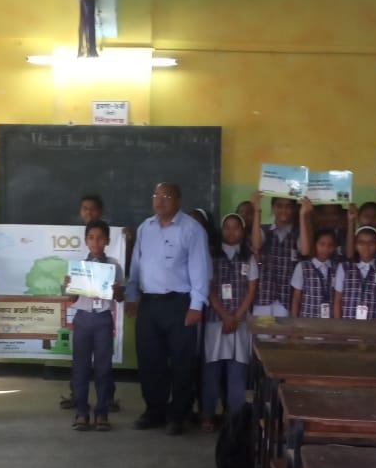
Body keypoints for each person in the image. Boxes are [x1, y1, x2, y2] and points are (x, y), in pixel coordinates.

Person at [126, 182, 210, 435]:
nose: (160, 200)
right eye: (156, 195)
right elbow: (136, 265)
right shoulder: (145, 228)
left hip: (179, 303)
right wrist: (131, 296)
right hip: (149, 304)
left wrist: (196, 306)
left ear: (178, 201)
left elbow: (200, 269)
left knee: (182, 362)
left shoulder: (191, 229)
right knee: (150, 360)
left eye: (166, 196)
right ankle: (154, 411)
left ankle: (179, 415)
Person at [65, 220, 125, 432]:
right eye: (91, 238)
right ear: (86, 241)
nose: (95, 242)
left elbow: (120, 298)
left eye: (100, 238)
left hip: (103, 320)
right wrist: (69, 286)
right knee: (80, 368)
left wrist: (117, 290)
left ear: (107, 241)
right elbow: (71, 299)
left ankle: (102, 413)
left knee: (103, 369)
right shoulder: (78, 267)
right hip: (82, 319)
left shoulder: (114, 267)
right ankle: (82, 412)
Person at [202, 213, 257, 432]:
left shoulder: (249, 257)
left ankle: (235, 419)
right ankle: (207, 414)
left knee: (237, 371)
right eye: (227, 227)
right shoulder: (211, 256)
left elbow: (251, 291)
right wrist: (225, 315)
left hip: (240, 322)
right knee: (212, 370)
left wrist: (235, 316)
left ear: (243, 232)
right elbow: (209, 289)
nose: (231, 232)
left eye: (236, 228)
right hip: (216, 320)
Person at [252, 196, 300, 319]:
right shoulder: (264, 230)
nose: (283, 210)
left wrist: (304, 215)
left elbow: (305, 250)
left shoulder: (298, 234)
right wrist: (257, 211)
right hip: (263, 298)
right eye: (279, 206)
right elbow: (256, 245)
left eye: (288, 206)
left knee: (283, 332)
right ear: (273, 208)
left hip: (286, 300)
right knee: (261, 332)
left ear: (294, 209)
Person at [333, 225, 376, 320]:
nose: (366, 247)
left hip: (373, 324)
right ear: (355, 245)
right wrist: (338, 324)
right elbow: (338, 300)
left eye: (371, 243)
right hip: (347, 324)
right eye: (361, 243)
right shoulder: (344, 267)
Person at [291, 227, 340, 319]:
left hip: (329, 321)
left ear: (334, 247)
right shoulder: (302, 267)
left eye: (330, 245)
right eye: (322, 244)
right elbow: (296, 298)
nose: (326, 248)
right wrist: (294, 321)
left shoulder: (337, 268)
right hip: (307, 319)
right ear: (315, 245)